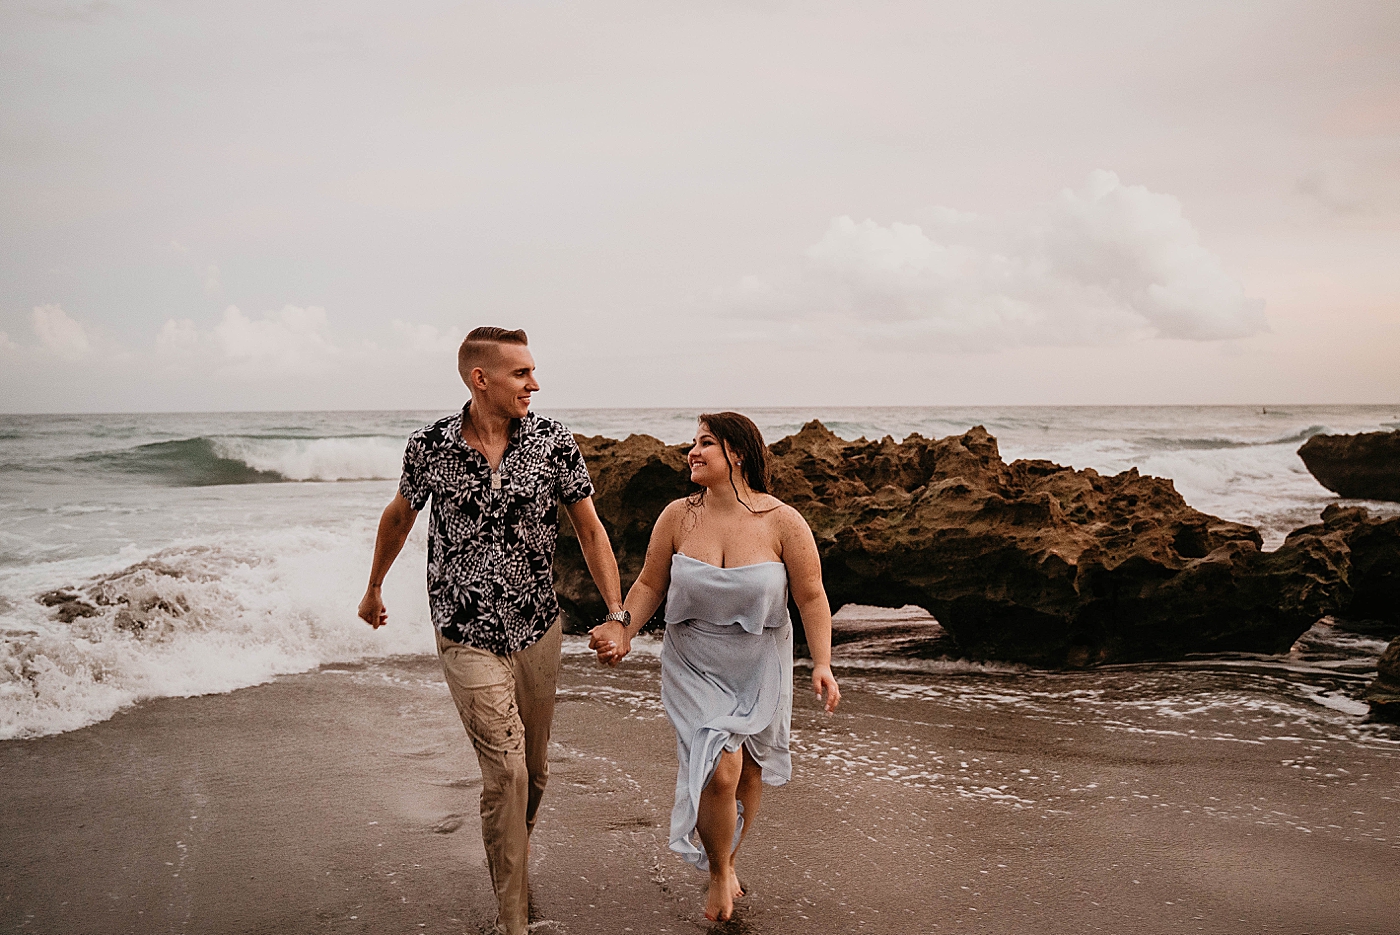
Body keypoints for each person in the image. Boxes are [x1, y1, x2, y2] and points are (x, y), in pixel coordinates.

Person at [357, 326, 627, 935]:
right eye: (521, 373)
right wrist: (373, 587)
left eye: (533, 371)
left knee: (533, 773)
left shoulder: (555, 443)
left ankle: (513, 860)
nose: (535, 382)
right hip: (464, 631)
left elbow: (588, 529)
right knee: (504, 773)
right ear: (481, 380)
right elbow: (400, 516)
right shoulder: (429, 445)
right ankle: (512, 921)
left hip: (537, 628)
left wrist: (615, 613)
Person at [588, 411, 841, 922]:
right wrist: (620, 626)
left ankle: (725, 859)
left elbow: (812, 597)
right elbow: (649, 585)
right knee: (720, 768)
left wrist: (822, 663)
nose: (693, 452)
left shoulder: (782, 521)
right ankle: (721, 874)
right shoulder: (678, 516)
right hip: (693, 659)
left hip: (759, 660)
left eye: (706, 443)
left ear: (738, 453)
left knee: (747, 769)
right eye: (693, 443)